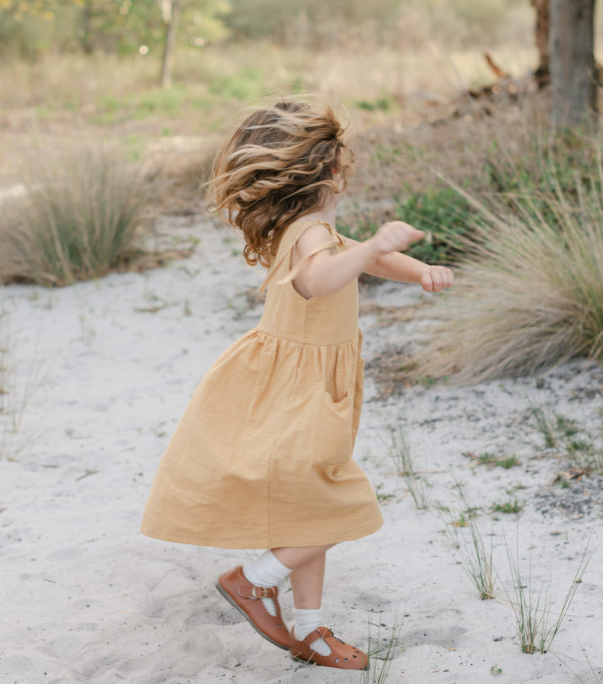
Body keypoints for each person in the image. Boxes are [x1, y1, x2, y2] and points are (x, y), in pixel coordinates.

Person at [139, 98, 455, 670]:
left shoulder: (314, 227)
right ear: (324, 171)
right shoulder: (310, 232)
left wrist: (415, 271)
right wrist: (376, 245)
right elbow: (318, 278)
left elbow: (360, 263)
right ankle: (252, 581)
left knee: (305, 507)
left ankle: (308, 630)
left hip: (303, 381)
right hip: (300, 387)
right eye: (342, 162)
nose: (346, 171)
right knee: (342, 506)